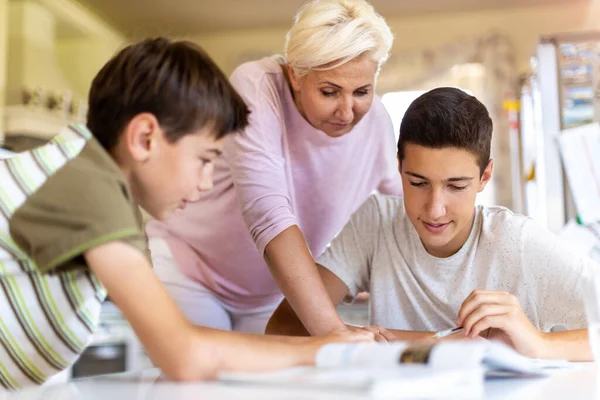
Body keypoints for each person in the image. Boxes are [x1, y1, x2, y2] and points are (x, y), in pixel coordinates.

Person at [0, 37, 370, 391]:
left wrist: (321, 344)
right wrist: (324, 348)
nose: (207, 182)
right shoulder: (89, 184)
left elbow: (183, 340)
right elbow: (183, 355)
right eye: (205, 160)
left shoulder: (93, 180)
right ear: (145, 137)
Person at [266, 87, 598, 361]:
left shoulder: (518, 242)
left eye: (456, 186)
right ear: (399, 168)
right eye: (418, 183)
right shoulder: (376, 221)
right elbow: (282, 327)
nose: (435, 209)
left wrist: (540, 343)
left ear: (485, 176)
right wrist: (429, 341)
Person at [146, 0, 402, 336]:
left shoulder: (376, 124)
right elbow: (267, 212)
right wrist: (330, 331)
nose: (346, 111)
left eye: (362, 91)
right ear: (295, 75)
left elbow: (403, 212)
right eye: (329, 91)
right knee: (201, 385)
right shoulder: (256, 85)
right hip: (191, 270)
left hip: (273, 293)